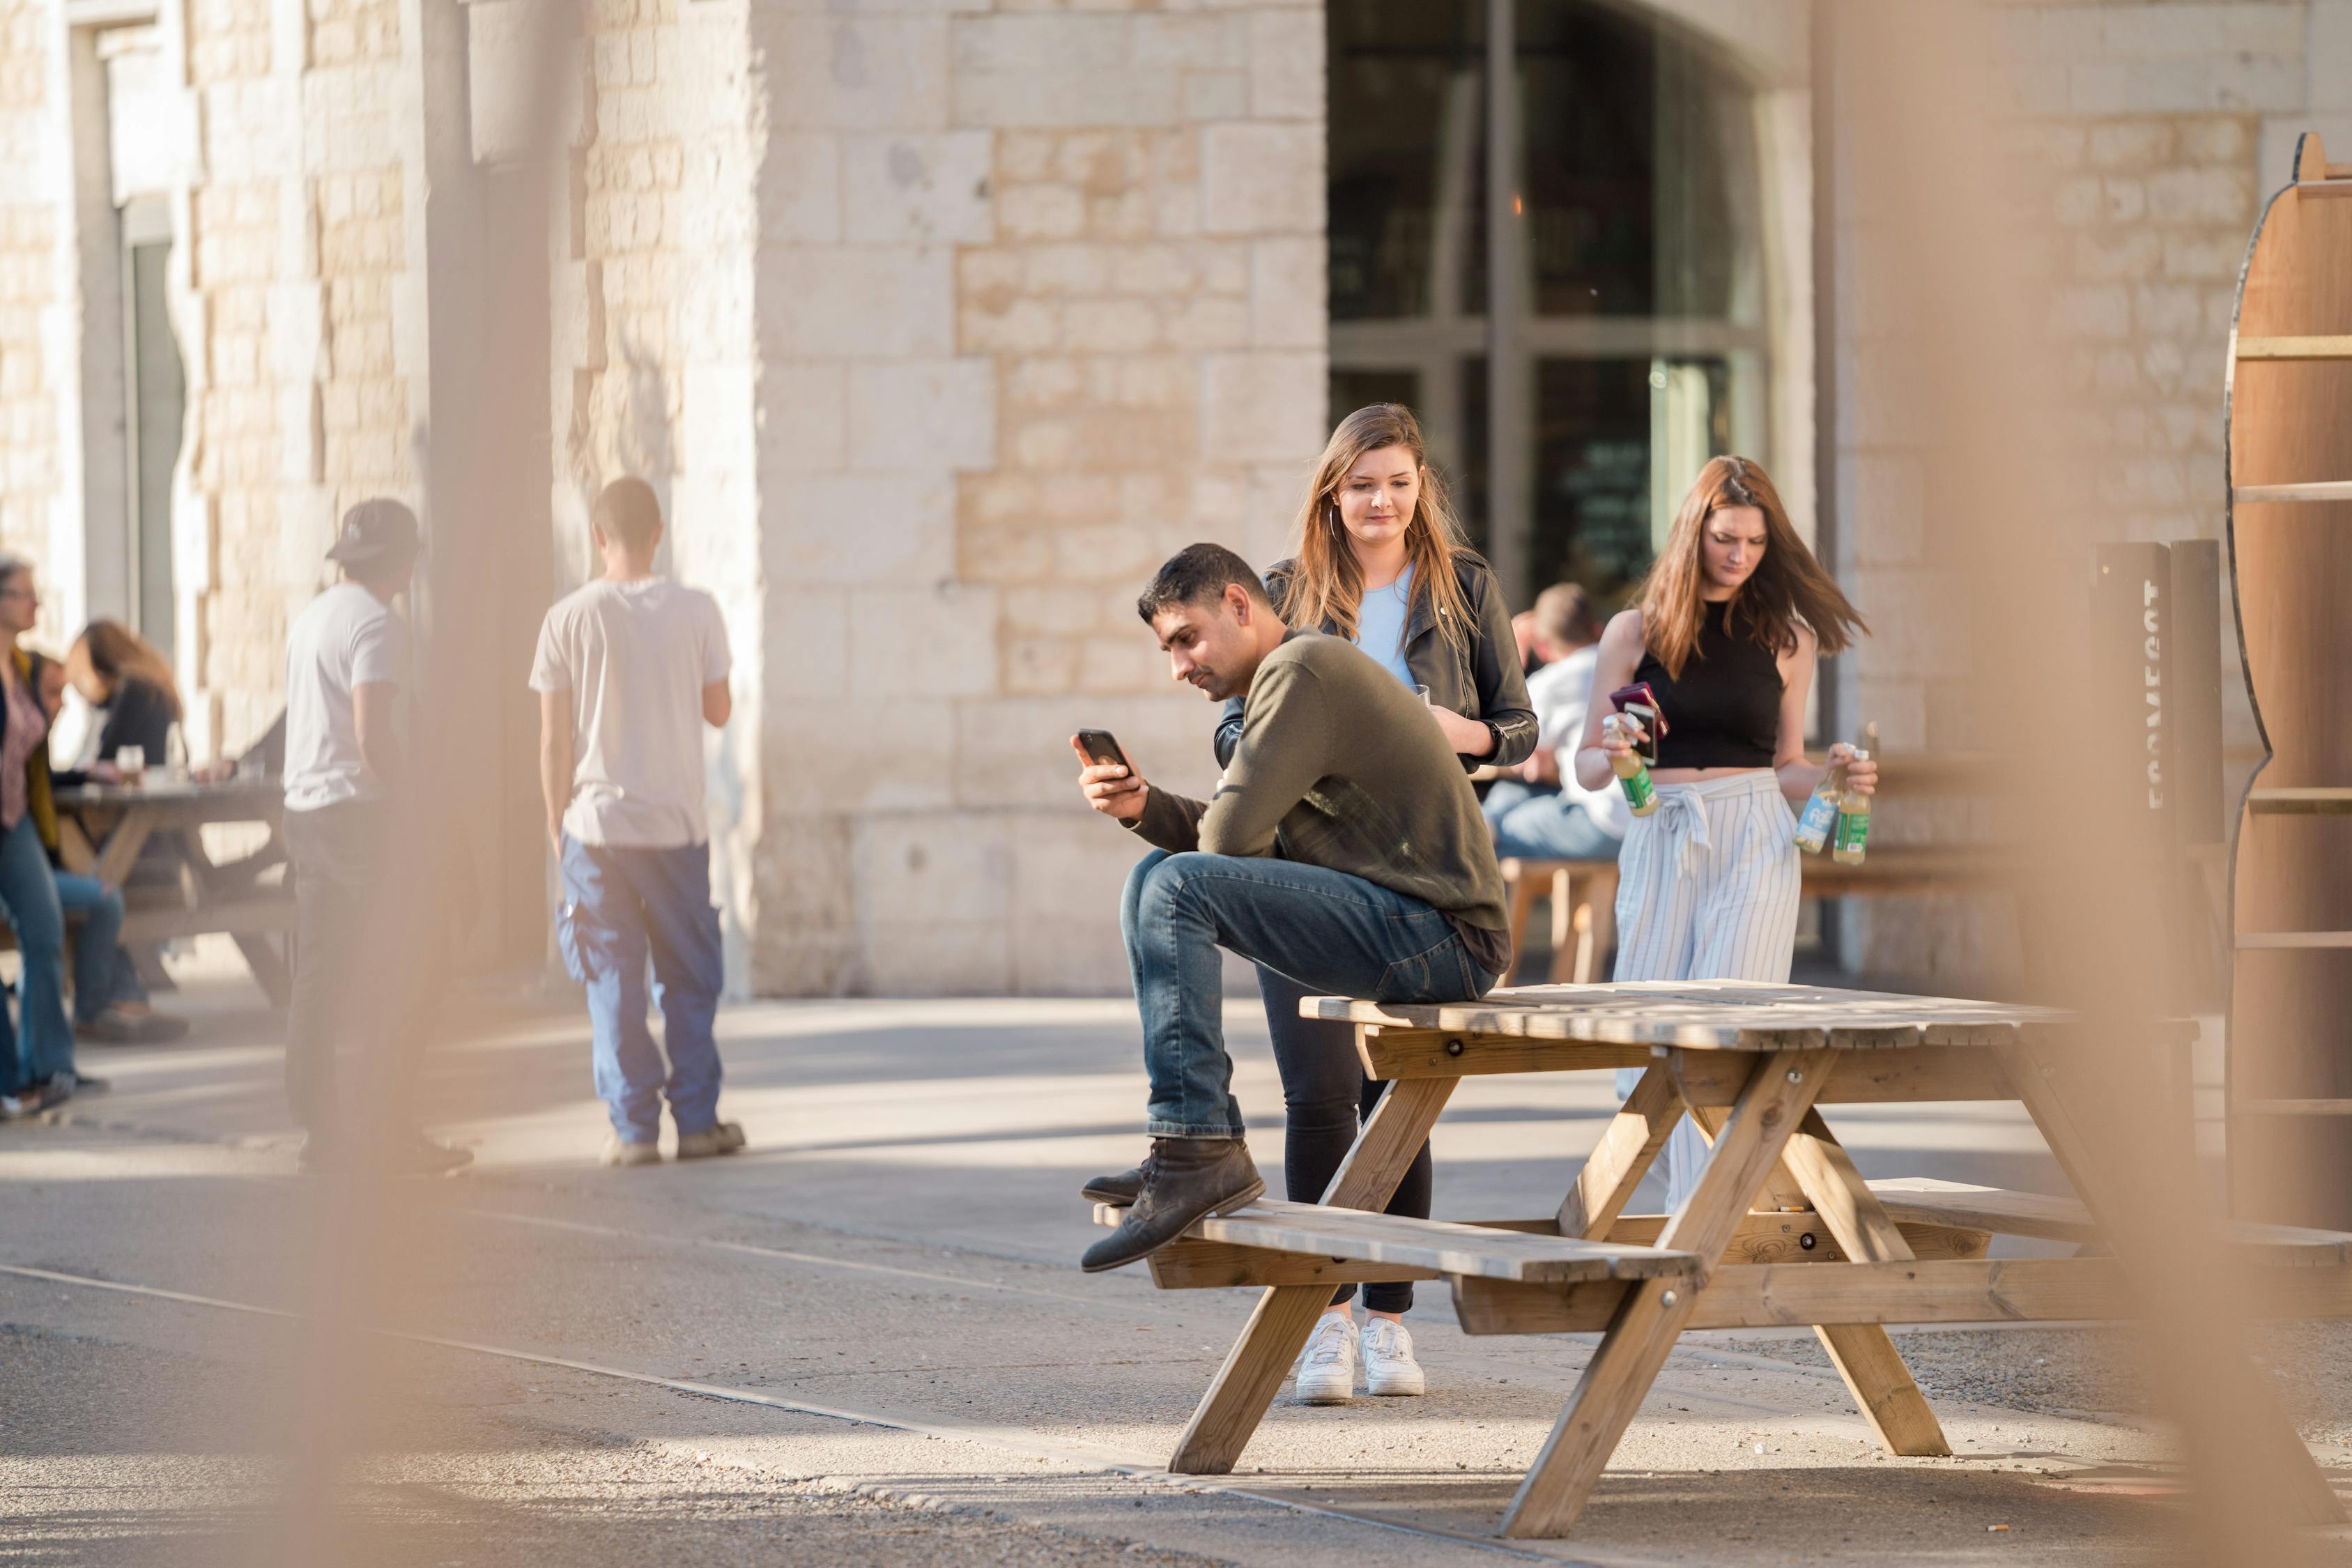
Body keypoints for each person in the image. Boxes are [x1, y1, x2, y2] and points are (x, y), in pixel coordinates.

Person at [1071, 545, 1511, 1395]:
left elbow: (1232, 847)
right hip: (1403, 922)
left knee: (1171, 891)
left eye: (1186, 639)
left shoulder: (1303, 669)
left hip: (1443, 935)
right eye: (1168, 650)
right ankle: (1189, 1146)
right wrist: (1147, 810)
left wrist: (1192, 834)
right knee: (1152, 880)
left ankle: (1197, 1147)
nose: (1179, 667)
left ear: (1240, 604)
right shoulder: (1292, 680)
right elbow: (1255, 846)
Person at [1199, 403, 1534, 1403]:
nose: (1378, 501)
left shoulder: (1463, 586)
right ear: (1331, 492)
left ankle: (1387, 1320)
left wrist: (1454, 733)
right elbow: (1230, 729)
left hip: (1423, 874)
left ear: (1418, 485)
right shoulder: (1284, 590)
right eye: (1359, 484)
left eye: (1395, 481)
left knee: (1398, 1097)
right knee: (1316, 1093)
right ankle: (1324, 1320)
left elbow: (1515, 729)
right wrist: (1288, 750)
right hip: (1304, 864)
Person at [1571, 456, 1873, 1204]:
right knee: (1654, 1034)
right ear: (1693, 532)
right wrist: (1613, 750)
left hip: (1756, 838)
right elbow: (1584, 767)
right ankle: (1688, 1217)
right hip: (1662, 830)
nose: (1740, 556)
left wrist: (1833, 779)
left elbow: (1787, 766)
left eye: (1755, 543)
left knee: (1732, 1025)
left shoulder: (1787, 638)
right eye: (1726, 538)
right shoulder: (1634, 630)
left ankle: (1705, 1222)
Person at [532, 477, 743, 1169]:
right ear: (659, 532)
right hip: (675, 826)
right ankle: (700, 1122)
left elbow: (554, 742)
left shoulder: (566, 618)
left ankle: (633, 1131)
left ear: (598, 536)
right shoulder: (698, 609)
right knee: (688, 975)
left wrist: (553, 825)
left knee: (612, 978)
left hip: (594, 828)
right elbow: (719, 711)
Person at [281, 500, 470, 1174]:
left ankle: (320, 1130)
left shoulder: (312, 619)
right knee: (419, 965)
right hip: (359, 818)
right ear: (406, 562)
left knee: (321, 974)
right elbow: (370, 735)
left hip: (304, 814)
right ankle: (390, 1128)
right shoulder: (379, 625)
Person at [0, 558, 112, 1114]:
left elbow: (29, 753)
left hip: (14, 819)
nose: (35, 606)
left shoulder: (20, 666)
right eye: (24, 596)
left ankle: (51, 1068)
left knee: (44, 934)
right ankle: (8, 1078)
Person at [49, 620, 193, 1040]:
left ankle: (120, 995)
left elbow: (108, 760)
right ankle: (121, 995)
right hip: (153, 838)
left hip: (135, 838)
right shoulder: (152, 688)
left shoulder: (133, 694)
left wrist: (86, 769)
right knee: (99, 888)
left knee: (99, 882)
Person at [1482, 583, 1629, 863]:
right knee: (1514, 795)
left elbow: (1501, 741)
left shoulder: (1549, 683)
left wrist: (1509, 658)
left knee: (1491, 832)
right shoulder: (1621, 667)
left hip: (1599, 822)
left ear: (1543, 648)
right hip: (1642, 814)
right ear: (1597, 631)